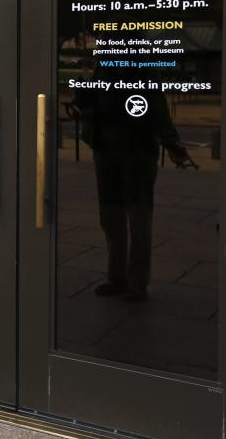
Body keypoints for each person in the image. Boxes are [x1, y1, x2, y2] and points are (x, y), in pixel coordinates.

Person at [72, 61, 192, 302]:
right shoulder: (102, 66)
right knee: (111, 217)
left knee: (138, 218)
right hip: (106, 150)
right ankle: (117, 277)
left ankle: (136, 283)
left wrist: (170, 141)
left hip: (136, 152)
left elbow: (158, 107)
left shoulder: (142, 68)